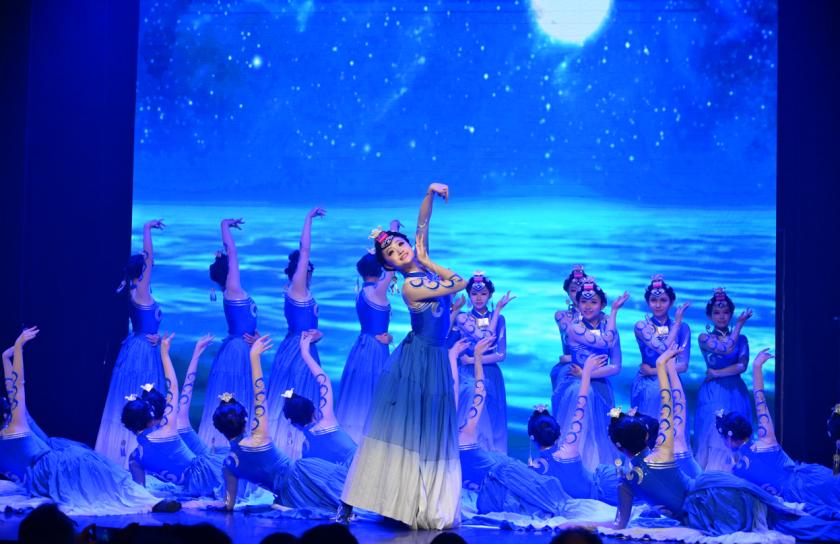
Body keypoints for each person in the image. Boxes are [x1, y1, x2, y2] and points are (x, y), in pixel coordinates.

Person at [563, 343, 840, 541]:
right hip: (718, 494)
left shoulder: (626, 481)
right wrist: (663, 366)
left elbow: (617, 524)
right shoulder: (663, 452)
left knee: (788, 523)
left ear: (617, 446)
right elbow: (670, 404)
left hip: (702, 512)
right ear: (647, 435)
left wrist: (577, 525)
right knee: (788, 520)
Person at [341, 183, 467, 530]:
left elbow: (422, 226)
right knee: (406, 432)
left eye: (401, 245)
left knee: (430, 432)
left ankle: (423, 499)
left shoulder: (419, 265)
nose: (400, 251)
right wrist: (427, 261)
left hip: (435, 357)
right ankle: (391, 499)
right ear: (389, 266)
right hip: (419, 361)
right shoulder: (412, 284)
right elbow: (459, 282)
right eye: (392, 253)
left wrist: (429, 193)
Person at [1, 327, 178, 514]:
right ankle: (148, 500)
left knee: (82, 457)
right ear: (5, 415)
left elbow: (13, 389)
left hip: (35, 479)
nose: (8, 400)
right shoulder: (16, 426)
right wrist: (18, 347)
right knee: (90, 462)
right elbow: (18, 386)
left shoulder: (13, 429)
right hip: (48, 469)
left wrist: (5, 358)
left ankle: (138, 493)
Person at [212, 335, 348, 514]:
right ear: (245, 420)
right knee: (351, 504)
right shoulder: (259, 437)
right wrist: (254, 358)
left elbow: (228, 505)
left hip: (288, 496)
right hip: (306, 475)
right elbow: (259, 394)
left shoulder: (228, 465)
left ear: (219, 429)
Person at [456, 335, 572, 516]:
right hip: (501, 476)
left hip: (498, 470)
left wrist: (453, 355)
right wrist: (477, 357)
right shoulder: (466, 431)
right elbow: (480, 391)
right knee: (541, 493)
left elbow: (467, 391)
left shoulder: (444, 436)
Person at [719, 349, 840, 518]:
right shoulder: (766, 440)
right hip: (815, 480)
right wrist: (756, 366)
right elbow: (759, 398)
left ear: (729, 437)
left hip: (797, 499)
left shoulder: (736, 471)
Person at [96, 219, 166, 466]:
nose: (151, 267)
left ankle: (129, 451)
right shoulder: (141, 292)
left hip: (140, 347)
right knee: (143, 397)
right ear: (143, 271)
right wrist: (147, 230)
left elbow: (147, 261)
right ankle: (136, 453)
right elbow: (149, 258)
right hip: (142, 351)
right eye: (148, 267)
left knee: (138, 396)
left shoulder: (135, 290)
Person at [123, 333, 223, 497]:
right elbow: (179, 388)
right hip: (212, 474)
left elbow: (140, 492)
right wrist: (167, 353)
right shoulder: (172, 425)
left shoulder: (134, 457)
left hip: (192, 484)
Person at [266, 207, 326, 458]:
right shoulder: (297, 288)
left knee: (300, 392)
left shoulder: (302, 291)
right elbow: (305, 250)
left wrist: (317, 335)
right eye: (306, 270)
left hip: (302, 347)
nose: (309, 274)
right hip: (297, 351)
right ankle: (290, 447)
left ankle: (298, 445)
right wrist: (308, 220)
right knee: (295, 392)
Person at [552, 277, 629, 470]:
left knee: (602, 432)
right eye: (583, 302)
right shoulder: (575, 328)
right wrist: (614, 312)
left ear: (602, 305)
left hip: (600, 385)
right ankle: (576, 469)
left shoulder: (609, 328)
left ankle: (599, 471)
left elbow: (616, 366)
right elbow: (606, 342)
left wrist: (586, 374)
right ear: (577, 304)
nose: (587, 306)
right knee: (578, 428)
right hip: (576, 386)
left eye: (593, 302)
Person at [335, 220, 400, 444]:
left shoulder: (362, 292)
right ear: (379, 270)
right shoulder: (377, 292)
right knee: (373, 390)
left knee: (358, 390)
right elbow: (391, 268)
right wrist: (393, 232)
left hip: (362, 345)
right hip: (375, 347)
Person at [199, 218, 261, 450]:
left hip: (242, 348)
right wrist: (225, 225)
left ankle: (240, 444)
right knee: (234, 394)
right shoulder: (233, 290)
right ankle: (230, 446)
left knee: (239, 394)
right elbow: (232, 253)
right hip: (236, 351)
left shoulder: (235, 292)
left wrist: (256, 337)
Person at [529, 354, 620, 505]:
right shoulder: (569, 448)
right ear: (559, 433)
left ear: (531, 437)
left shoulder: (533, 469)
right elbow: (581, 405)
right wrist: (586, 373)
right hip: (603, 491)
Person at [450, 272, 514, 453]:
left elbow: (500, 354)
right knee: (470, 415)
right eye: (474, 293)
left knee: (494, 419)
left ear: (490, 295)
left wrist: (473, 359)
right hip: (467, 374)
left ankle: (494, 458)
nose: (478, 298)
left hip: (491, 374)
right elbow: (483, 338)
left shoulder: (499, 319)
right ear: (469, 295)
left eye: (483, 293)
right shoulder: (463, 318)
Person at [694, 287, 753, 470]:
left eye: (726, 312)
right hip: (713, 391)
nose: (721, 316)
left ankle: (738, 471)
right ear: (709, 315)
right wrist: (739, 325)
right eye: (717, 312)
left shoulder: (742, 339)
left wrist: (717, 373)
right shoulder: (704, 338)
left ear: (731, 314)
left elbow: (742, 367)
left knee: (737, 431)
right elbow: (725, 349)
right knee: (711, 431)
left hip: (735, 390)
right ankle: (711, 473)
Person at [285, 331, 357, 466]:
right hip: (360, 469)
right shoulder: (326, 421)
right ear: (314, 410)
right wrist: (305, 353)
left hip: (343, 478)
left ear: (292, 423)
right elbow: (324, 381)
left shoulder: (306, 449)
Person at [631, 275, 690, 430]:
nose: (658, 305)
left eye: (663, 300)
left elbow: (683, 366)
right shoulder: (642, 326)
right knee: (647, 430)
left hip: (672, 383)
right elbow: (663, 349)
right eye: (653, 300)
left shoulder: (683, 328)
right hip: (648, 386)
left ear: (671, 302)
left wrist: (652, 370)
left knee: (673, 430)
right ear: (647, 302)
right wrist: (676, 324)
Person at [551, 264, 586, 395]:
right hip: (569, 368)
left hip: (593, 367)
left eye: (582, 289)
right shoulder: (561, 316)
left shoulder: (603, 318)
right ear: (567, 293)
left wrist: (571, 358)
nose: (578, 294)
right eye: (573, 290)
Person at [178, 334, 215, 455]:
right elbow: (186, 389)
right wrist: (196, 353)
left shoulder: (148, 443)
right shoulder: (180, 423)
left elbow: (184, 389)